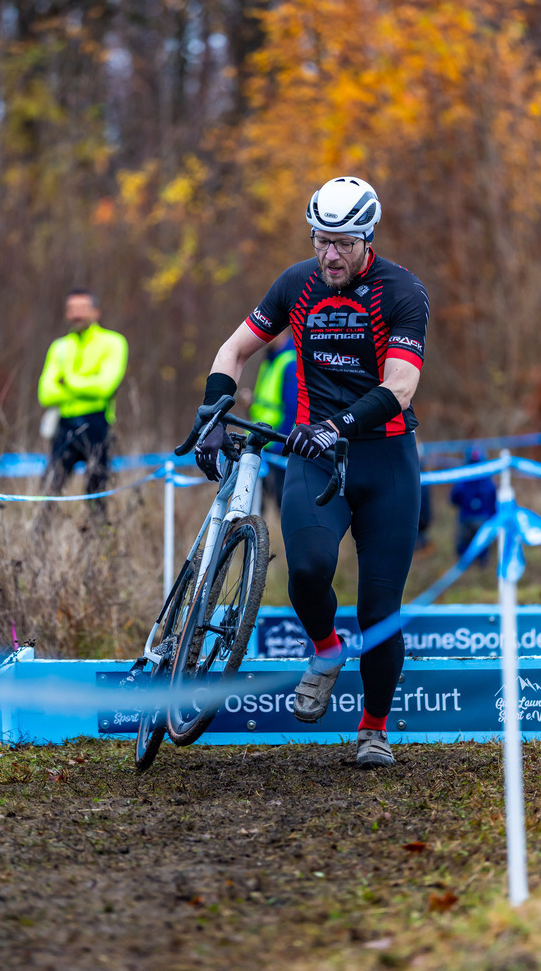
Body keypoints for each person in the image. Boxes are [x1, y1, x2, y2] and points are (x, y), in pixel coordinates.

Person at [191, 176, 429, 768]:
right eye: (322, 240)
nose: (330, 255)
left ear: (367, 239)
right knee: (308, 571)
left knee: (379, 608)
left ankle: (372, 730)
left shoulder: (402, 291)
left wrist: (340, 424)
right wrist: (212, 411)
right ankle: (325, 650)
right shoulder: (297, 284)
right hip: (313, 454)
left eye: (343, 243)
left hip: (385, 459)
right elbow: (233, 351)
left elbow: (399, 386)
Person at [37, 289, 128, 514]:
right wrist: (87, 384)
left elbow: (105, 387)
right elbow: (45, 394)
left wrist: (66, 381)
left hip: (97, 424)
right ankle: (41, 542)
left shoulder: (113, 342)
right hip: (64, 425)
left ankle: (99, 542)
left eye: (82, 309)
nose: (76, 314)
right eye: (71, 309)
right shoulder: (59, 347)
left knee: (96, 494)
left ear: (95, 312)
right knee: (49, 491)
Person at [248, 326, 297, 509]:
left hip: (278, 449)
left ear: (283, 331)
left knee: (283, 506)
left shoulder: (289, 361)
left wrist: (281, 445)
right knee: (254, 508)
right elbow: (270, 404)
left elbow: (293, 409)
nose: (264, 336)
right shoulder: (270, 360)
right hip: (262, 447)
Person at [450, 448, 497, 565]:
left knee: (464, 548)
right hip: (482, 519)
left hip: (466, 518)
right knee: (482, 547)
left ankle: (464, 571)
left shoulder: (463, 479)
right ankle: (481, 569)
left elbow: (454, 498)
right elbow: (494, 499)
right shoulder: (488, 480)